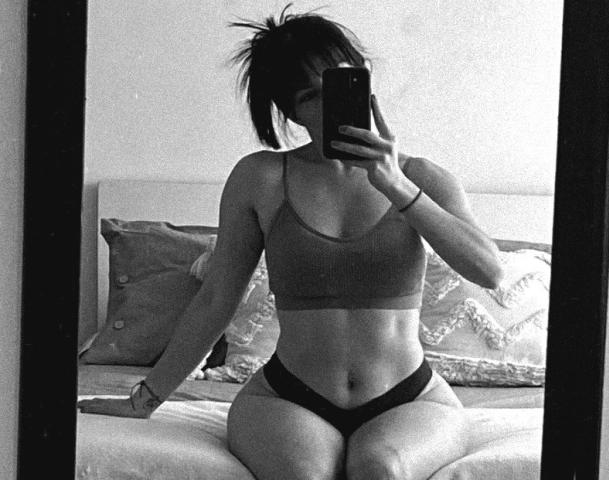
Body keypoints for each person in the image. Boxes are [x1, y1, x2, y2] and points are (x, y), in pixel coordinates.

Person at [78, 5, 505, 479]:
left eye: (337, 83)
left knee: (382, 468)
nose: (327, 105)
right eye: (308, 96)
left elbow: (490, 271)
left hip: (408, 399)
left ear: (362, 78)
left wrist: (397, 187)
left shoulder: (421, 177)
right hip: (288, 398)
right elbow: (216, 299)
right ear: (290, 112)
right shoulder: (260, 178)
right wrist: (144, 399)